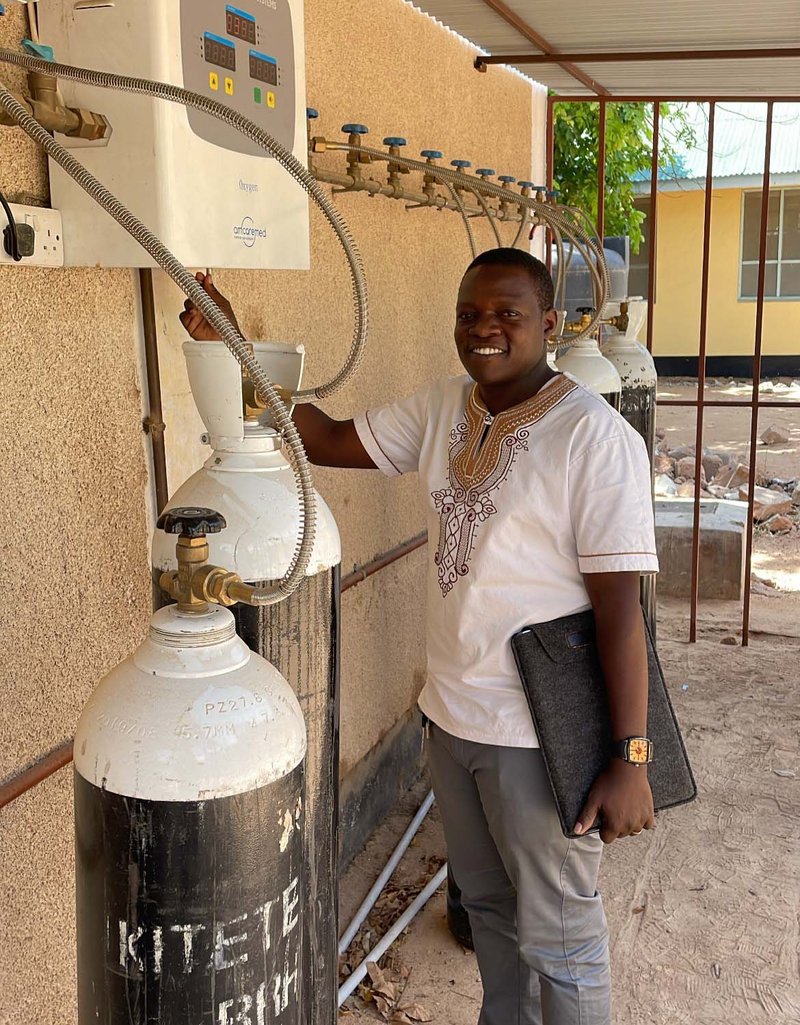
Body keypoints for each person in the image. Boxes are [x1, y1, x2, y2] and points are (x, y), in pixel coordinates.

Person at [180, 249, 658, 1025]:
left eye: (507, 313)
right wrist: (233, 342)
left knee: (563, 944)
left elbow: (620, 613)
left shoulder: (595, 439)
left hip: (537, 738)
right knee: (493, 918)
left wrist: (629, 755)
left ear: (548, 322)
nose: (485, 329)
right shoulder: (445, 407)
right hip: (453, 722)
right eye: (470, 314)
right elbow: (325, 437)